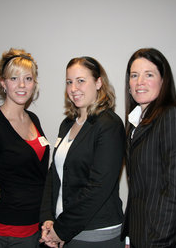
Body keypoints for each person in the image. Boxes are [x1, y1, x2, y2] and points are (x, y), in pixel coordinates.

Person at [39, 56, 125, 248]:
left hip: (96, 234)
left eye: (80, 81)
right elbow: (53, 174)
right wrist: (47, 218)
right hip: (63, 228)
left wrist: (61, 230)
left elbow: (98, 187)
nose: (73, 88)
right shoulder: (67, 124)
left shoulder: (109, 124)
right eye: (69, 82)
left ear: (98, 82)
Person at [0, 48, 50, 248]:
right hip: (11, 233)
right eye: (14, 78)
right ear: (3, 84)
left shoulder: (33, 119)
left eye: (28, 78)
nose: (22, 85)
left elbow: (31, 173)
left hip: (38, 225)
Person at [121, 48, 176, 248]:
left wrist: (158, 243)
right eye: (134, 75)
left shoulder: (173, 117)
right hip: (140, 236)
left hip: (165, 240)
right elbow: (138, 190)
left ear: (163, 81)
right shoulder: (135, 123)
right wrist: (129, 236)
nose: (139, 82)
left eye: (149, 75)